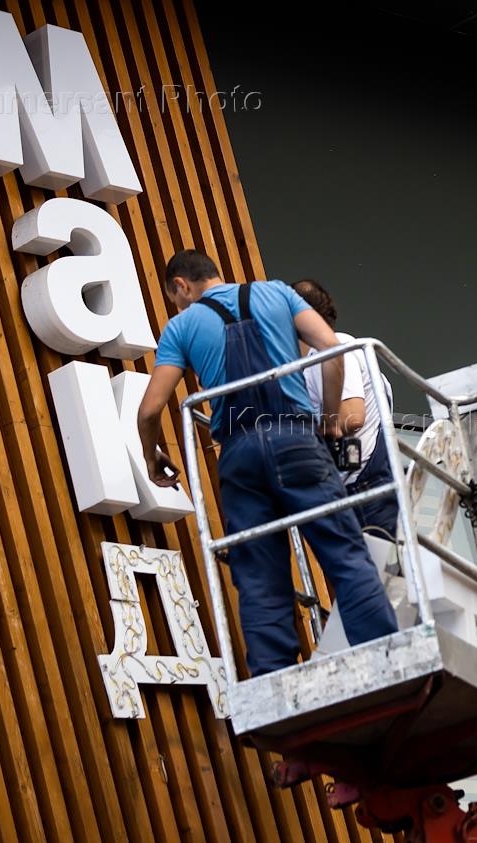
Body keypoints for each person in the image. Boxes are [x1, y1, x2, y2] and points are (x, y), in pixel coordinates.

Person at [137, 250, 397, 676]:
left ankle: (273, 677)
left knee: (258, 577)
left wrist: (152, 457)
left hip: (238, 453)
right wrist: (329, 419)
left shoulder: (181, 326)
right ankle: (386, 654)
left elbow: (150, 411)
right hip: (296, 439)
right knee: (344, 553)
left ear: (181, 286)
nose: (179, 305)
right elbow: (331, 350)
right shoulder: (277, 294)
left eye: (175, 298)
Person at [292, 279, 399, 539]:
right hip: (365, 486)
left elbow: (352, 416)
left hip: (362, 490)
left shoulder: (332, 348)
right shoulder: (330, 352)